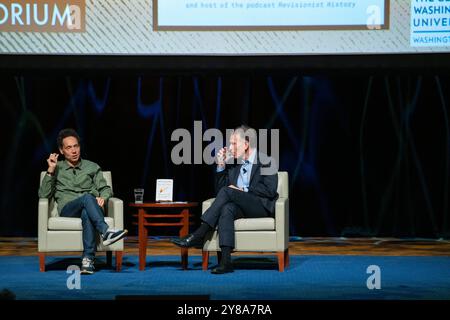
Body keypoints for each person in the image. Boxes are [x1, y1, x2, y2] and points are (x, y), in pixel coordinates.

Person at [172, 125, 278, 274]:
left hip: (260, 206)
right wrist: (221, 165)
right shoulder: (234, 163)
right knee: (226, 208)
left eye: (234, 143)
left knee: (229, 194)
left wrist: (243, 190)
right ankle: (226, 262)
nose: (230, 147)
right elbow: (221, 191)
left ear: (246, 144)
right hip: (239, 206)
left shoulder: (267, 161)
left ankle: (199, 234)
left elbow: (270, 190)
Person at [38, 128, 128, 274]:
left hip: (92, 208)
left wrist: (103, 198)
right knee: (87, 197)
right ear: (61, 151)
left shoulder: (92, 167)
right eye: (68, 147)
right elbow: (43, 194)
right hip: (69, 209)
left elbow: (106, 189)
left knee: (87, 211)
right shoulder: (57, 168)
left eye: (76, 146)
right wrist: (50, 170)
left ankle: (87, 261)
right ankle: (106, 232)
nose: (73, 151)